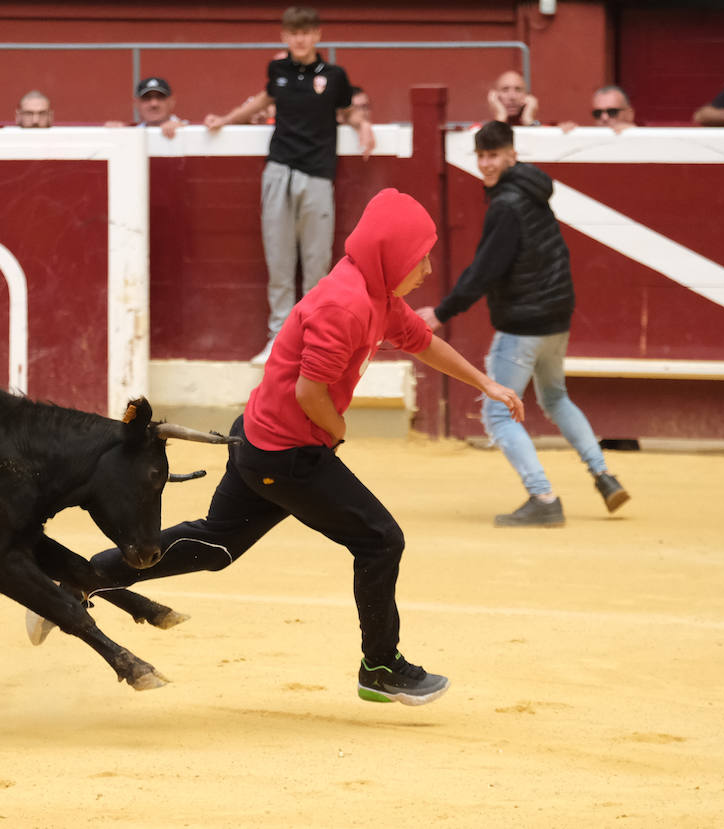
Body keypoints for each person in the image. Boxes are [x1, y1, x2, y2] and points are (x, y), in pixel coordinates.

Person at [36, 189, 525, 706]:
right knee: (380, 540)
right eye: (420, 256)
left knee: (218, 546)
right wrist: (336, 430)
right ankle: (380, 667)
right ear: (393, 255)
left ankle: (77, 578)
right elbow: (309, 392)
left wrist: (485, 384)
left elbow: (422, 340)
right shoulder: (346, 305)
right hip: (285, 456)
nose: (427, 268)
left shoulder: (374, 293)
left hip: (259, 439)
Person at [415, 121, 629, 527]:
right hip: (556, 316)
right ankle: (604, 476)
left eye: (493, 155)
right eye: (480, 156)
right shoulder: (532, 191)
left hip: (524, 324)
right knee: (555, 397)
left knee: (498, 414)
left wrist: (441, 313)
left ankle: (542, 497)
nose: (485, 164)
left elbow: (485, 270)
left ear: (511, 154)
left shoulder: (506, 204)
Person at [201, 6, 374, 364]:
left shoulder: (335, 75)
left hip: (317, 174)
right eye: (294, 32)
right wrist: (227, 118)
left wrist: (365, 126)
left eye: (306, 32)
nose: (300, 38)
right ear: (284, 36)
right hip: (279, 171)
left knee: (316, 261)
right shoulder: (276, 70)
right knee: (278, 260)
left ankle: (313, 340)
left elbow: (348, 110)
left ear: (318, 35)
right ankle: (279, 337)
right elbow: (265, 99)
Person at [108, 77, 185, 138]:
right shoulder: (131, 133)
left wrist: (183, 129)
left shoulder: (189, 128)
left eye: (160, 97)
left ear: (171, 101)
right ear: (136, 103)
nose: (154, 104)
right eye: (146, 98)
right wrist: (111, 133)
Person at [560, 85, 637, 133]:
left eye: (612, 112)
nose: (604, 118)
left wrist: (634, 133)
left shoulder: (643, 140)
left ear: (629, 114)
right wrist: (566, 135)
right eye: (598, 113)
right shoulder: (586, 139)